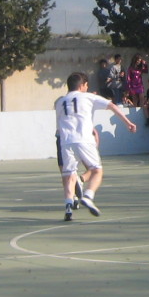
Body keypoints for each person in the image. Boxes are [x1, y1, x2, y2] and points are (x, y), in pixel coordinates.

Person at [52, 74, 137, 221]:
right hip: (84, 139)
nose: (87, 88)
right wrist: (127, 122)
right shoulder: (88, 97)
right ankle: (88, 196)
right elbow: (112, 105)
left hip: (65, 141)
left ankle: (68, 206)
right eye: (86, 85)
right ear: (82, 85)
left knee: (68, 175)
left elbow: (59, 127)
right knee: (97, 170)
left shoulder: (60, 102)